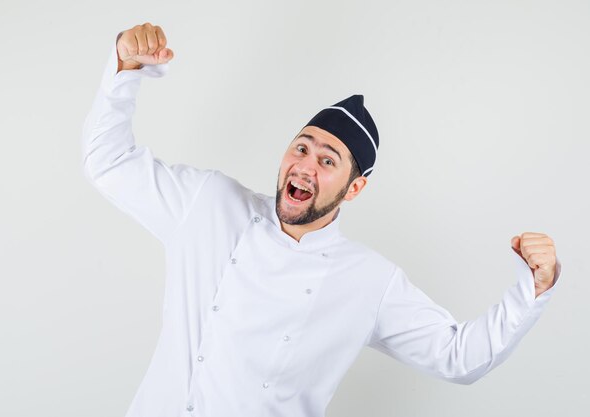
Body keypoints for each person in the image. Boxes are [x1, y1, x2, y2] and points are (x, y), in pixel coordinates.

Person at [81, 22, 562, 417]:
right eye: (302, 147)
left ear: (355, 188)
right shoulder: (209, 204)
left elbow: (460, 358)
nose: (305, 165)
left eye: (328, 160)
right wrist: (124, 70)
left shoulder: (369, 281)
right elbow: (109, 164)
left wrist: (533, 288)